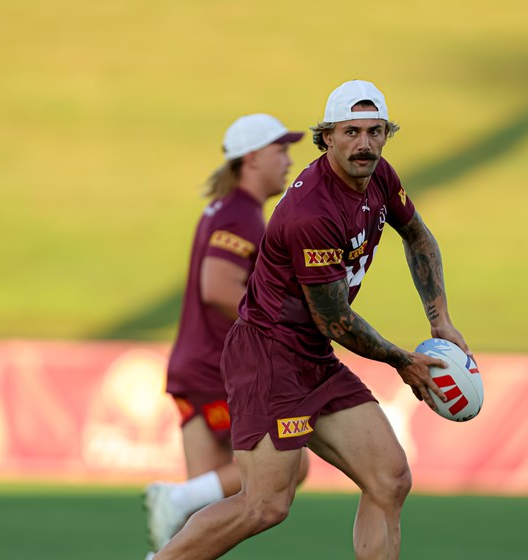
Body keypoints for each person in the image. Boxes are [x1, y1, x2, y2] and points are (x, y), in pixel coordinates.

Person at [153, 79, 471, 560]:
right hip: (271, 356)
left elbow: (418, 236)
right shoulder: (311, 213)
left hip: (312, 355)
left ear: (386, 134)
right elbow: (336, 321)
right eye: (350, 132)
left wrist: (440, 320)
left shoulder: (380, 175)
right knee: (264, 505)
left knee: (389, 478)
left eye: (375, 131)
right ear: (327, 138)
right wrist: (402, 361)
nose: (364, 144)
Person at [143, 114, 310, 554]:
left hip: (192, 367)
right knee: (294, 464)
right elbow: (216, 287)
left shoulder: (226, 209)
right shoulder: (241, 215)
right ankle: (174, 499)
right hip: (218, 369)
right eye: (281, 151)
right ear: (252, 158)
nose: (289, 160)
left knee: (201, 517)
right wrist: (278, 325)